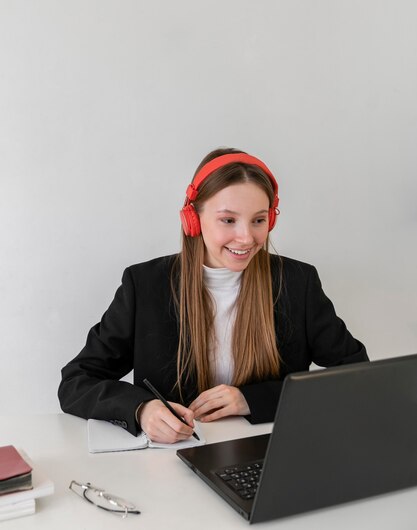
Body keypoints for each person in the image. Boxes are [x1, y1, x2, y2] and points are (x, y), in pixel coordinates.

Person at [58, 148, 368, 443]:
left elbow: (356, 377)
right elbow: (76, 382)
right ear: (193, 219)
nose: (247, 238)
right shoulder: (145, 285)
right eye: (228, 220)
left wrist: (252, 400)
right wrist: (141, 409)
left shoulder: (298, 282)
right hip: (171, 462)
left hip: (269, 452)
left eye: (259, 220)